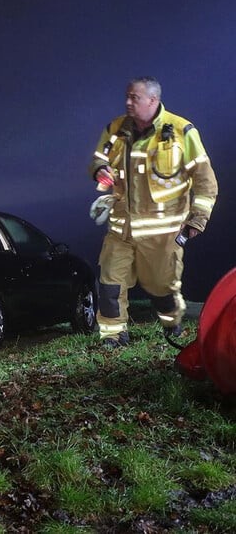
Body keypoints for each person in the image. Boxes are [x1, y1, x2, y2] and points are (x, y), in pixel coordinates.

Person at [89, 77, 218, 348]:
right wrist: (99, 170)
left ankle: (172, 325)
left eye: (134, 98)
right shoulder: (115, 129)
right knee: (110, 281)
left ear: (153, 100)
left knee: (162, 286)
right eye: (127, 96)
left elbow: (206, 180)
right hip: (121, 227)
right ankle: (113, 337)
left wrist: (198, 219)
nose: (127, 102)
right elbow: (99, 158)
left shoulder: (182, 131)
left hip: (163, 233)